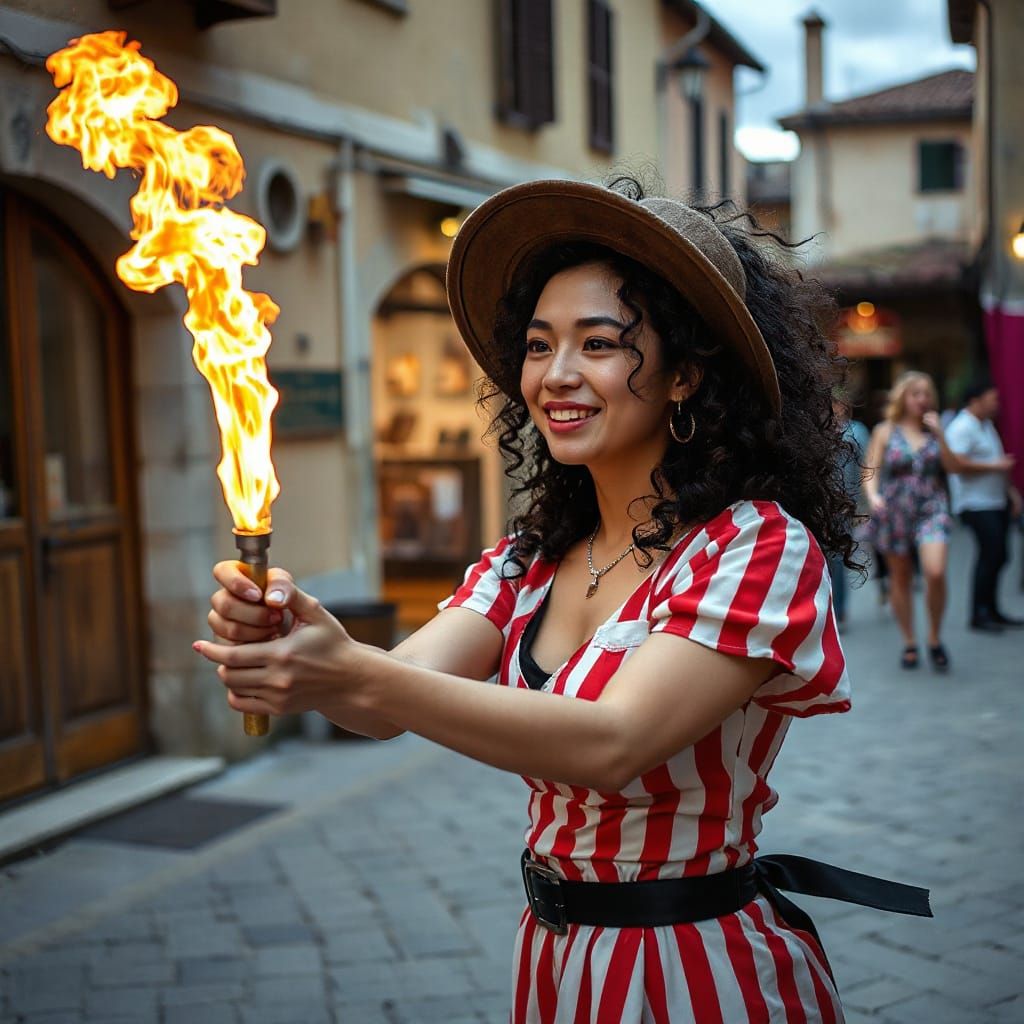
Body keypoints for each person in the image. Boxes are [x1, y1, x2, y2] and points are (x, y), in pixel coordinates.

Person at [195, 179, 929, 1023]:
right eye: (539, 346)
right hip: (553, 964)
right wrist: (305, 647)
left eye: (598, 343)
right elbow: (390, 700)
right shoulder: (527, 560)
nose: (557, 375)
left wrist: (348, 672)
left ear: (686, 373)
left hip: (694, 968)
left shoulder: (754, 545)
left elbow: (613, 742)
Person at [859, 371, 960, 671]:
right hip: (895, 508)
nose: (922, 399)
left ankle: (934, 637)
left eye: (926, 394)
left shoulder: (935, 429)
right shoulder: (885, 430)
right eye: (916, 393)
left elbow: (954, 467)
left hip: (932, 505)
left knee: (935, 571)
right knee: (899, 577)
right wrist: (873, 496)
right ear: (903, 397)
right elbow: (870, 469)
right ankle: (910, 641)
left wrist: (941, 435)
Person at [944, 379, 1021, 631]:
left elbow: (994, 459)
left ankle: (992, 608)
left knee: (1000, 555)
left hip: (995, 500)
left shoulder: (985, 424)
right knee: (990, 555)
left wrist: (1011, 493)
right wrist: (996, 467)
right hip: (975, 503)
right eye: (992, 398)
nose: (997, 403)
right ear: (975, 400)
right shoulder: (962, 426)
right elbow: (957, 464)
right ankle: (979, 613)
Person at [827, 390, 870, 627]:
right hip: (823, 502)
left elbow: (866, 467)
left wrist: (863, 504)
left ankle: (839, 608)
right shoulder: (818, 431)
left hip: (846, 504)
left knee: (838, 556)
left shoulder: (857, 431)